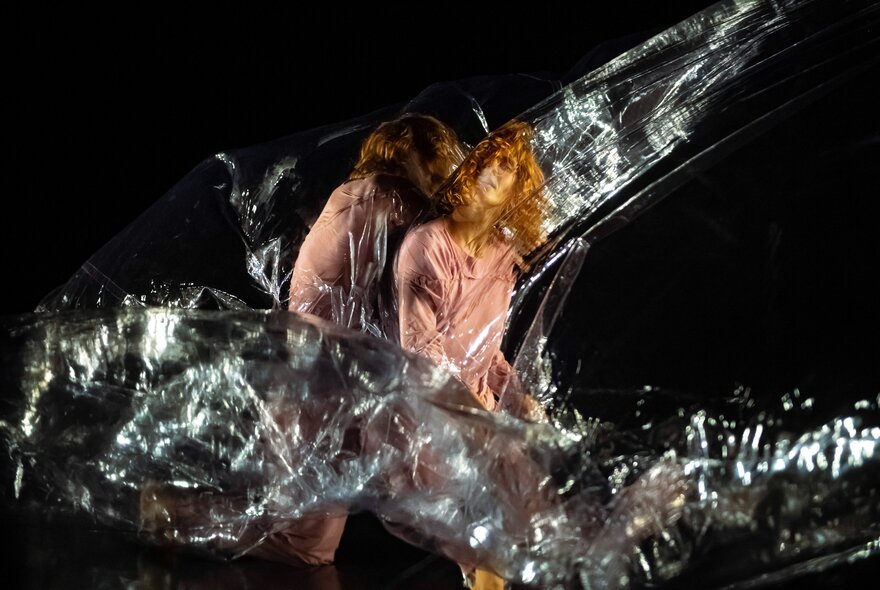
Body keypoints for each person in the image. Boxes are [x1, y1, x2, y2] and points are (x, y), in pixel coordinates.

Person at [139, 112, 465, 569]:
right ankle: (172, 513)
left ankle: (176, 514)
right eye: (436, 165)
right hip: (317, 386)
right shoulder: (379, 198)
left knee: (316, 532)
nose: (445, 179)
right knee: (304, 542)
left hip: (330, 380)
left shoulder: (363, 200)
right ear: (409, 160)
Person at [288, 112, 464, 338]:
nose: (436, 184)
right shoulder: (391, 193)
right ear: (416, 156)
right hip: (336, 344)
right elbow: (446, 238)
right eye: (436, 175)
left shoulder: (350, 193)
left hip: (309, 338)